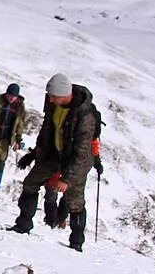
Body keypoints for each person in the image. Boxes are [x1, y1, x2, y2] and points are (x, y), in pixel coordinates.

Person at [11, 73, 102, 251]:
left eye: (54, 96)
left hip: (76, 162)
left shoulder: (85, 116)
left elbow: (81, 153)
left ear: (64, 94)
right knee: (30, 183)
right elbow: (47, 131)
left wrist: (66, 179)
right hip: (53, 154)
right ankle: (23, 225)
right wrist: (35, 153)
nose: (50, 100)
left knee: (74, 201)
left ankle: (76, 243)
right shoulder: (54, 105)